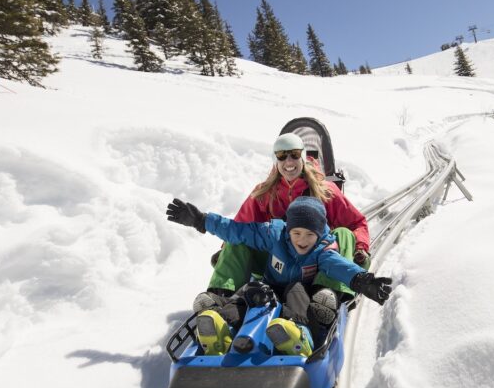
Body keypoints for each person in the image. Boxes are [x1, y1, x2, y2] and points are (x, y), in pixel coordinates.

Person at [167, 195, 393, 357]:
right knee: (245, 296)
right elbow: (237, 231)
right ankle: (221, 329)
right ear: (288, 230)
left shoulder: (322, 249)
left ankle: (299, 337)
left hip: (300, 294)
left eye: (309, 235)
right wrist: (202, 221)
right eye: (296, 233)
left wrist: (363, 280)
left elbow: (340, 265)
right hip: (270, 287)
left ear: (320, 233)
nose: (302, 240)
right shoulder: (273, 234)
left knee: (296, 293)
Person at [208, 132, 370, 298]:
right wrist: (225, 253)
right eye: (282, 156)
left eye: (295, 154)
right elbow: (240, 226)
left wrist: (360, 249)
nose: (289, 161)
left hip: (317, 266)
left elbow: (357, 223)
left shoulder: (326, 191)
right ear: (275, 160)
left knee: (344, 233)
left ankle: (326, 295)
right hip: (277, 266)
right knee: (238, 238)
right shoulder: (264, 193)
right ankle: (220, 293)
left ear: (303, 156)